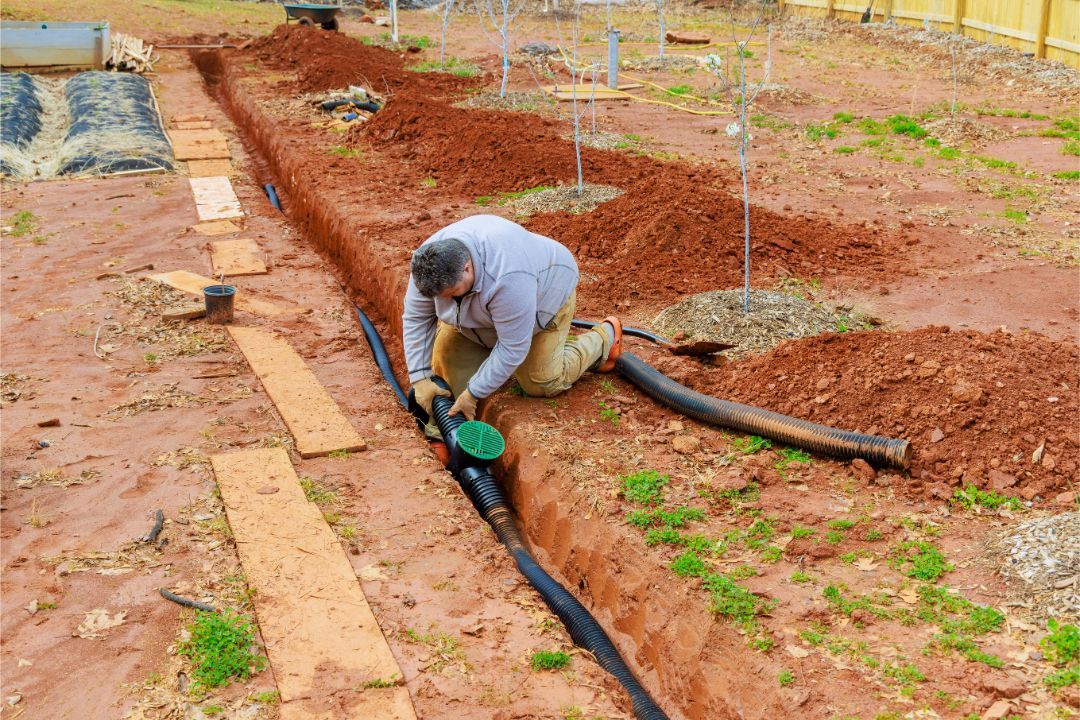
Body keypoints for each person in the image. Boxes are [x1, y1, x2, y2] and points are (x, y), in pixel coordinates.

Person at [402, 214, 622, 425]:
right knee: (447, 372)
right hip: (481, 314)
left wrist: (474, 393)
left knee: (541, 381)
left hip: (543, 299)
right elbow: (416, 317)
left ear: (467, 267)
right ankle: (443, 436)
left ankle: (604, 339)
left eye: (451, 294)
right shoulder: (427, 263)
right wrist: (420, 377)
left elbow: (512, 346)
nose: (444, 301)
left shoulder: (509, 276)